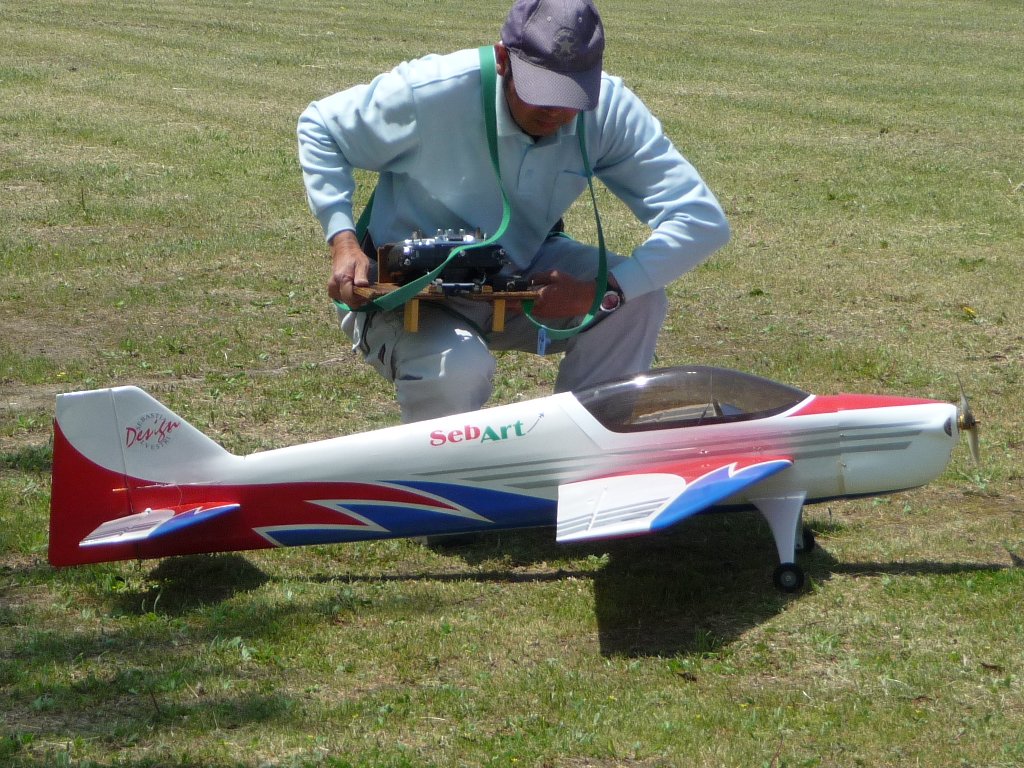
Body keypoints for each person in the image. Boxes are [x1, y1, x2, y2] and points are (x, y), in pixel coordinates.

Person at [298, 0, 730, 423]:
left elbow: (701, 219)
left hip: (518, 276)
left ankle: (583, 444)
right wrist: (343, 241)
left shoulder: (608, 108)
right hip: (405, 290)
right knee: (458, 369)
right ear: (504, 59)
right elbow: (321, 126)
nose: (557, 111)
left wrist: (603, 291)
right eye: (541, 92)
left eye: (572, 95)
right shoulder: (433, 89)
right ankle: (440, 470)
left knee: (639, 299)